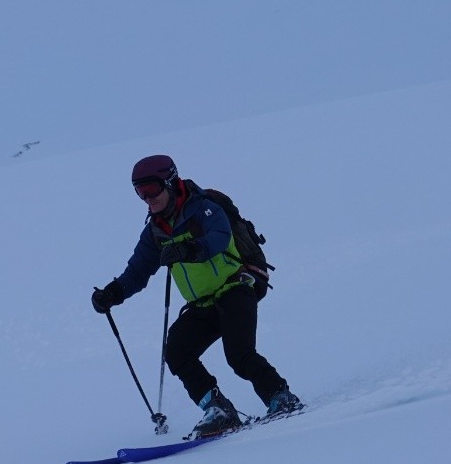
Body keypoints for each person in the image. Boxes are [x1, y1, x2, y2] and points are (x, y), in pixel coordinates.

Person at [91, 154, 302, 438]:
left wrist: (190, 249)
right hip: (203, 302)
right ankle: (219, 410)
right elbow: (138, 271)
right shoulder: (155, 231)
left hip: (236, 286)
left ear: (169, 182)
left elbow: (219, 236)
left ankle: (281, 397)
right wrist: (112, 293)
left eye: (151, 189)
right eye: (140, 192)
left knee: (239, 354)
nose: (147, 198)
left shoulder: (205, 208)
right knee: (177, 350)